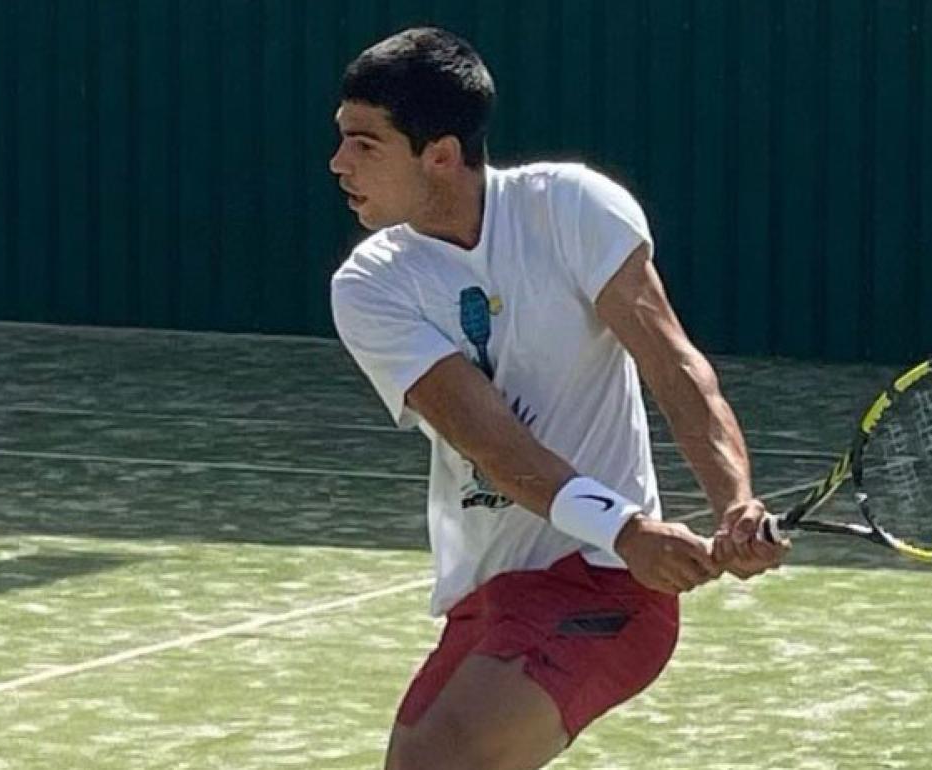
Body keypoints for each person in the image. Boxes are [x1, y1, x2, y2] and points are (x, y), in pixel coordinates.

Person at [328, 26, 788, 770]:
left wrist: (734, 502)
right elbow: (492, 443)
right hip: (496, 589)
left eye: (364, 143)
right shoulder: (370, 285)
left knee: (441, 761)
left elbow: (674, 367)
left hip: (607, 585)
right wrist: (630, 528)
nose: (339, 163)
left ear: (439, 155)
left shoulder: (572, 208)